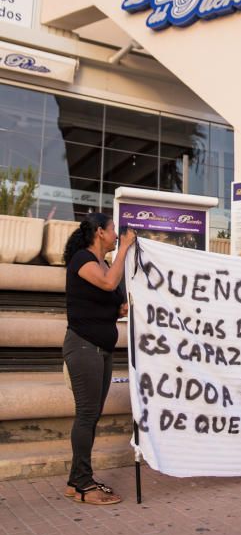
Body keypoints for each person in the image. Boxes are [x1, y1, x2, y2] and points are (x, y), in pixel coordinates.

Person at [62, 212, 136, 504]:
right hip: (84, 348)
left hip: (100, 349)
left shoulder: (104, 264)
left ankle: (75, 481)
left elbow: (110, 299)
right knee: (87, 415)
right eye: (113, 230)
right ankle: (82, 484)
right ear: (99, 233)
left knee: (91, 415)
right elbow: (107, 284)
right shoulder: (83, 259)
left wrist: (120, 309)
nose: (117, 234)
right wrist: (126, 250)